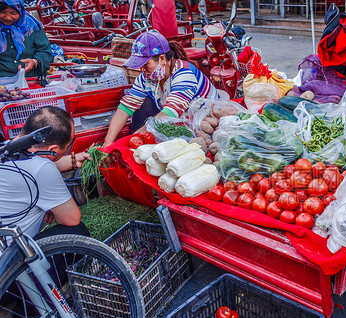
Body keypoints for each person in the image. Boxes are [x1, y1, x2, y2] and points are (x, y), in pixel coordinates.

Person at [102, 30, 219, 147]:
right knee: (144, 106)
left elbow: (169, 113)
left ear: (162, 59)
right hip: (180, 120)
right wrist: (108, 142)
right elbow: (126, 107)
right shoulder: (146, 78)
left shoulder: (184, 73)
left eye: (145, 64)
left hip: (207, 123)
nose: (141, 70)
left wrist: (132, 139)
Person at [0, 106, 90, 239]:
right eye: (68, 146)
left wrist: (73, 159)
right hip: (10, 252)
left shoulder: (6, 148)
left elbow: (35, 164)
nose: (68, 149)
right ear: (52, 149)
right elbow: (71, 219)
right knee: (78, 232)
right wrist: (53, 209)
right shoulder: (42, 169)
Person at [0, 0, 52, 78]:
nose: (7, 17)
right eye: (2, 12)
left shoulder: (32, 26)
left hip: (31, 77)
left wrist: (35, 62)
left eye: (13, 13)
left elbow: (45, 51)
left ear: (21, 12)